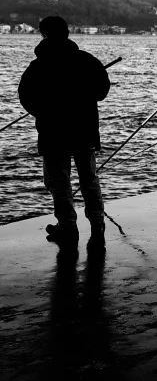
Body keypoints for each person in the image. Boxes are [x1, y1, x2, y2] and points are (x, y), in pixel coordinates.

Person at [18, 16, 110, 248]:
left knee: (59, 182)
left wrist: (44, 112)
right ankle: (97, 223)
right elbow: (101, 90)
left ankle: (68, 227)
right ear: (67, 33)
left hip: (53, 133)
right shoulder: (87, 61)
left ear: (44, 35)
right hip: (84, 132)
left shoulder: (38, 66)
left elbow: (26, 97)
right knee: (89, 179)